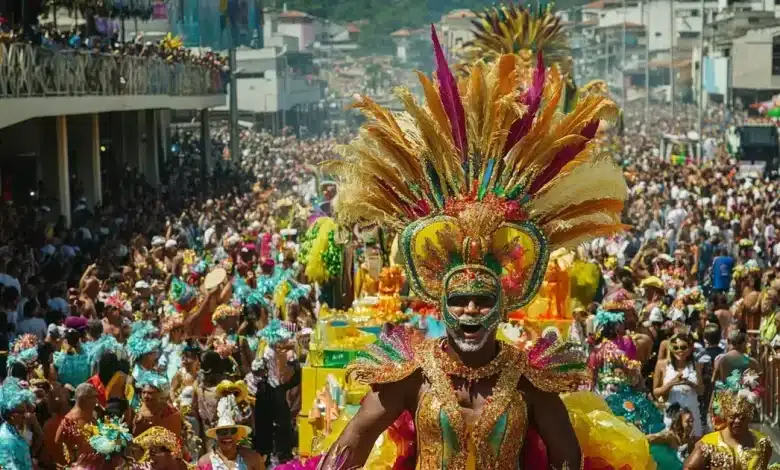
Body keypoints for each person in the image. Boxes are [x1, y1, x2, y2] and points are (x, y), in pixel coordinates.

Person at [318, 27, 629, 469]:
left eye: (481, 300)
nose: (469, 311)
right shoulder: (412, 373)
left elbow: (567, 460)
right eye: (458, 300)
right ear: (439, 303)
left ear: (504, 304)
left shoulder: (529, 379)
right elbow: (355, 439)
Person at [684, 369, 772, 469]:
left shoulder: (762, 443)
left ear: (750, 417)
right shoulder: (708, 444)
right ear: (725, 416)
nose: (737, 421)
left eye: (742, 417)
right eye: (733, 417)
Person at [653, 332, 704, 438]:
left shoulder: (696, 365)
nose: (679, 351)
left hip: (692, 414)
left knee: (693, 446)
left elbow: (701, 391)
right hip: (672, 413)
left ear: (690, 349)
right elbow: (655, 391)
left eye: (683, 347)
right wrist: (672, 383)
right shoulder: (662, 365)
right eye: (675, 347)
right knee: (672, 445)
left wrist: (689, 383)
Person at [197, 394, 265, 470]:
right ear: (216, 435)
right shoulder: (205, 462)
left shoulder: (252, 458)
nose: (228, 436)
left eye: (232, 431)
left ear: (237, 434)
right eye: (223, 432)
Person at [0, 377, 36, 470]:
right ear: (11, 414)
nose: (24, 415)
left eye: (24, 411)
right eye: (21, 412)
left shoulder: (14, 429)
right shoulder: (6, 438)